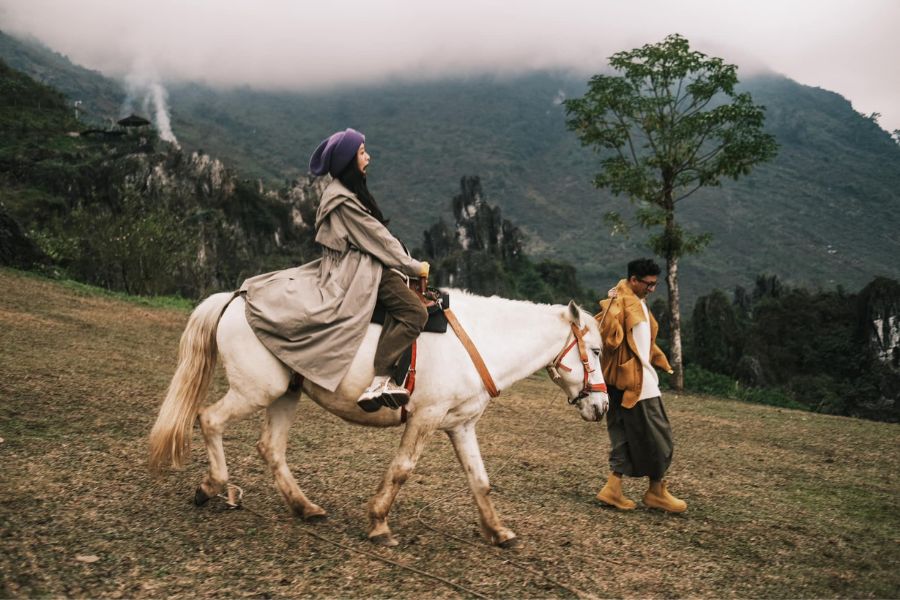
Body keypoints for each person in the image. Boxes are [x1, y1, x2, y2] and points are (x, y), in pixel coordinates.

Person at [240, 128, 428, 412]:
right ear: (349, 161)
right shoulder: (345, 203)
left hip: (357, 264)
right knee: (416, 312)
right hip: (360, 271)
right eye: (362, 153)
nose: (369, 157)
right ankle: (381, 377)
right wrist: (415, 266)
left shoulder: (345, 194)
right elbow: (378, 238)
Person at [594, 258, 687, 513]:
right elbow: (609, 337)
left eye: (655, 284)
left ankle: (612, 489)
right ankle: (657, 490)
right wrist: (612, 303)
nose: (652, 289)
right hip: (636, 383)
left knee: (623, 435)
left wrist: (661, 361)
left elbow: (644, 342)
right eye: (648, 284)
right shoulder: (621, 301)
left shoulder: (638, 302)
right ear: (633, 280)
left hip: (626, 381)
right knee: (661, 437)